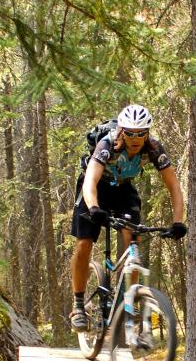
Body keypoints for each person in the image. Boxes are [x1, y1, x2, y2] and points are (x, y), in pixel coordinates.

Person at [70, 104, 187, 331]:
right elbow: (91, 180)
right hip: (94, 189)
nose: (135, 138)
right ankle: (77, 305)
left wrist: (178, 222)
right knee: (84, 243)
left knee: (132, 241)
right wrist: (93, 207)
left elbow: (174, 187)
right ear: (122, 131)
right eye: (131, 133)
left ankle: (130, 304)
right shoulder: (107, 145)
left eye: (141, 133)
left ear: (147, 133)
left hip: (123, 190)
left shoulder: (153, 148)